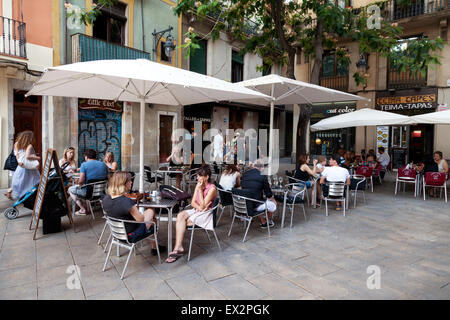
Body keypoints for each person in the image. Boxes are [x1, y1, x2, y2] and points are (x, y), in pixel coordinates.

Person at [102, 172, 164, 255]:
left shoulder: (106, 199)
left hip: (117, 233)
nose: (131, 182)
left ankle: (155, 247)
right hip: (131, 235)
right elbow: (141, 220)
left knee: (150, 217)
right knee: (151, 211)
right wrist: (135, 210)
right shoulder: (126, 202)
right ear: (123, 183)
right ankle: (155, 247)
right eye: (129, 181)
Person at [166, 166, 217, 263]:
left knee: (183, 222)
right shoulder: (198, 185)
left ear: (206, 177)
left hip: (207, 214)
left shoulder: (212, 189)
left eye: (199, 176)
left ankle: (177, 249)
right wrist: (200, 208)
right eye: (197, 176)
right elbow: (193, 202)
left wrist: (200, 191)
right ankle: (178, 246)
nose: (197, 178)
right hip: (198, 210)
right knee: (180, 215)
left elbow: (203, 206)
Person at [69, 149, 109, 216]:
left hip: (88, 193)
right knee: (88, 186)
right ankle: (88, 207)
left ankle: (83, 209)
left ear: (86, 157)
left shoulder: (84, 165)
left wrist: (79, 184)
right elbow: (109, 178)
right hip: (101, 193)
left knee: (70, 189)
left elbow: (81, 181)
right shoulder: (104, 165)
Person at [240, 160, 277, 228]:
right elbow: (268, 194)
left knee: (259, 199)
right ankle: (267, 221)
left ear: (253, 166)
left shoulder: (244, 174)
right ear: (262, 168)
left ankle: (263, 221)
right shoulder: (262, 176)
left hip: (243, 204)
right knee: (273, 203)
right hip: (254, 205)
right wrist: (273, 199)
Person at [9, 131, 41, 200]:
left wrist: (19, 162)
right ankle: (32, 196)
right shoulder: (29, 145)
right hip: (29, 166)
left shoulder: (17, 144)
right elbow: (28, 156)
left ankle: (19, 195)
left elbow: (17, 154)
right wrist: (37, 158)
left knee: (20, 181)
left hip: (22, 166)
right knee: (33, 181)